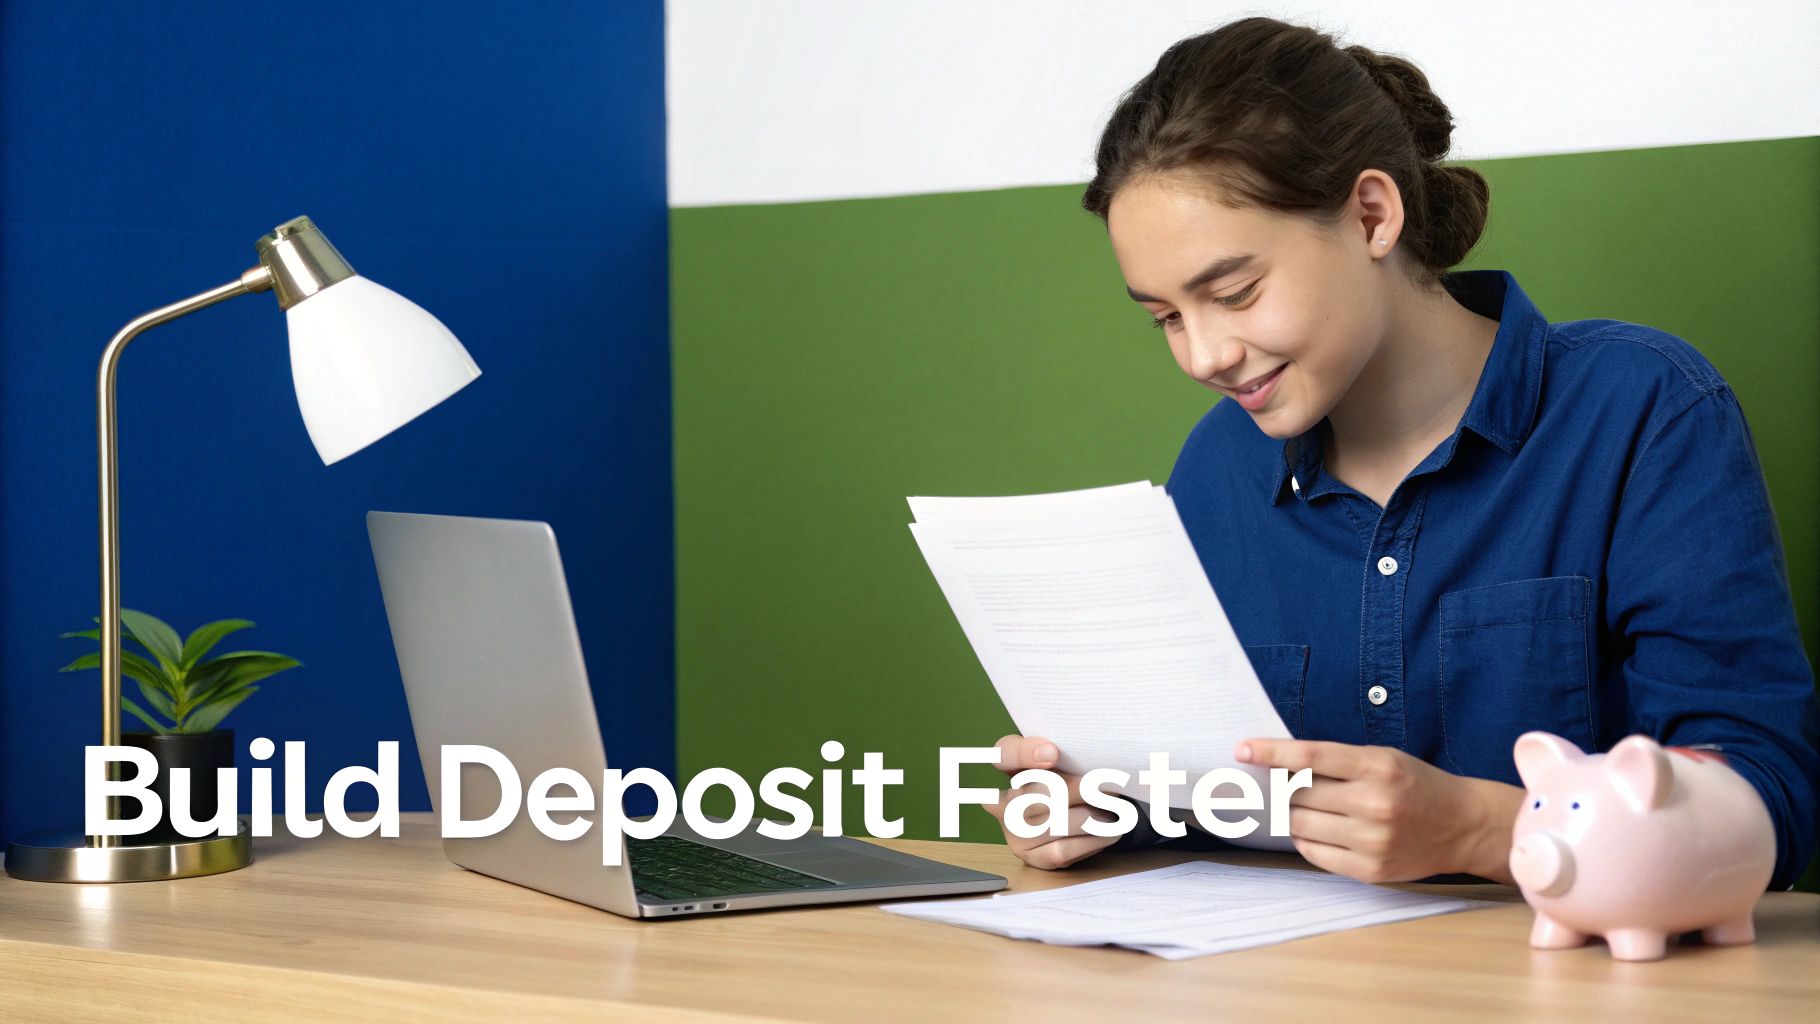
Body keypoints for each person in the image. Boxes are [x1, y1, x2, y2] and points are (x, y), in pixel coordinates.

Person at [984, 16, 1820, 890]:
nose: (1202, 356)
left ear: (1373, 215)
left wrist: (1486, 832)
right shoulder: (1217, 469)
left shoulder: (1642, 409)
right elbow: (1208, 800)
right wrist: (1103, 808)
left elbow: (1771, 801)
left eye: (1233, 292)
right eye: (1165, 318)